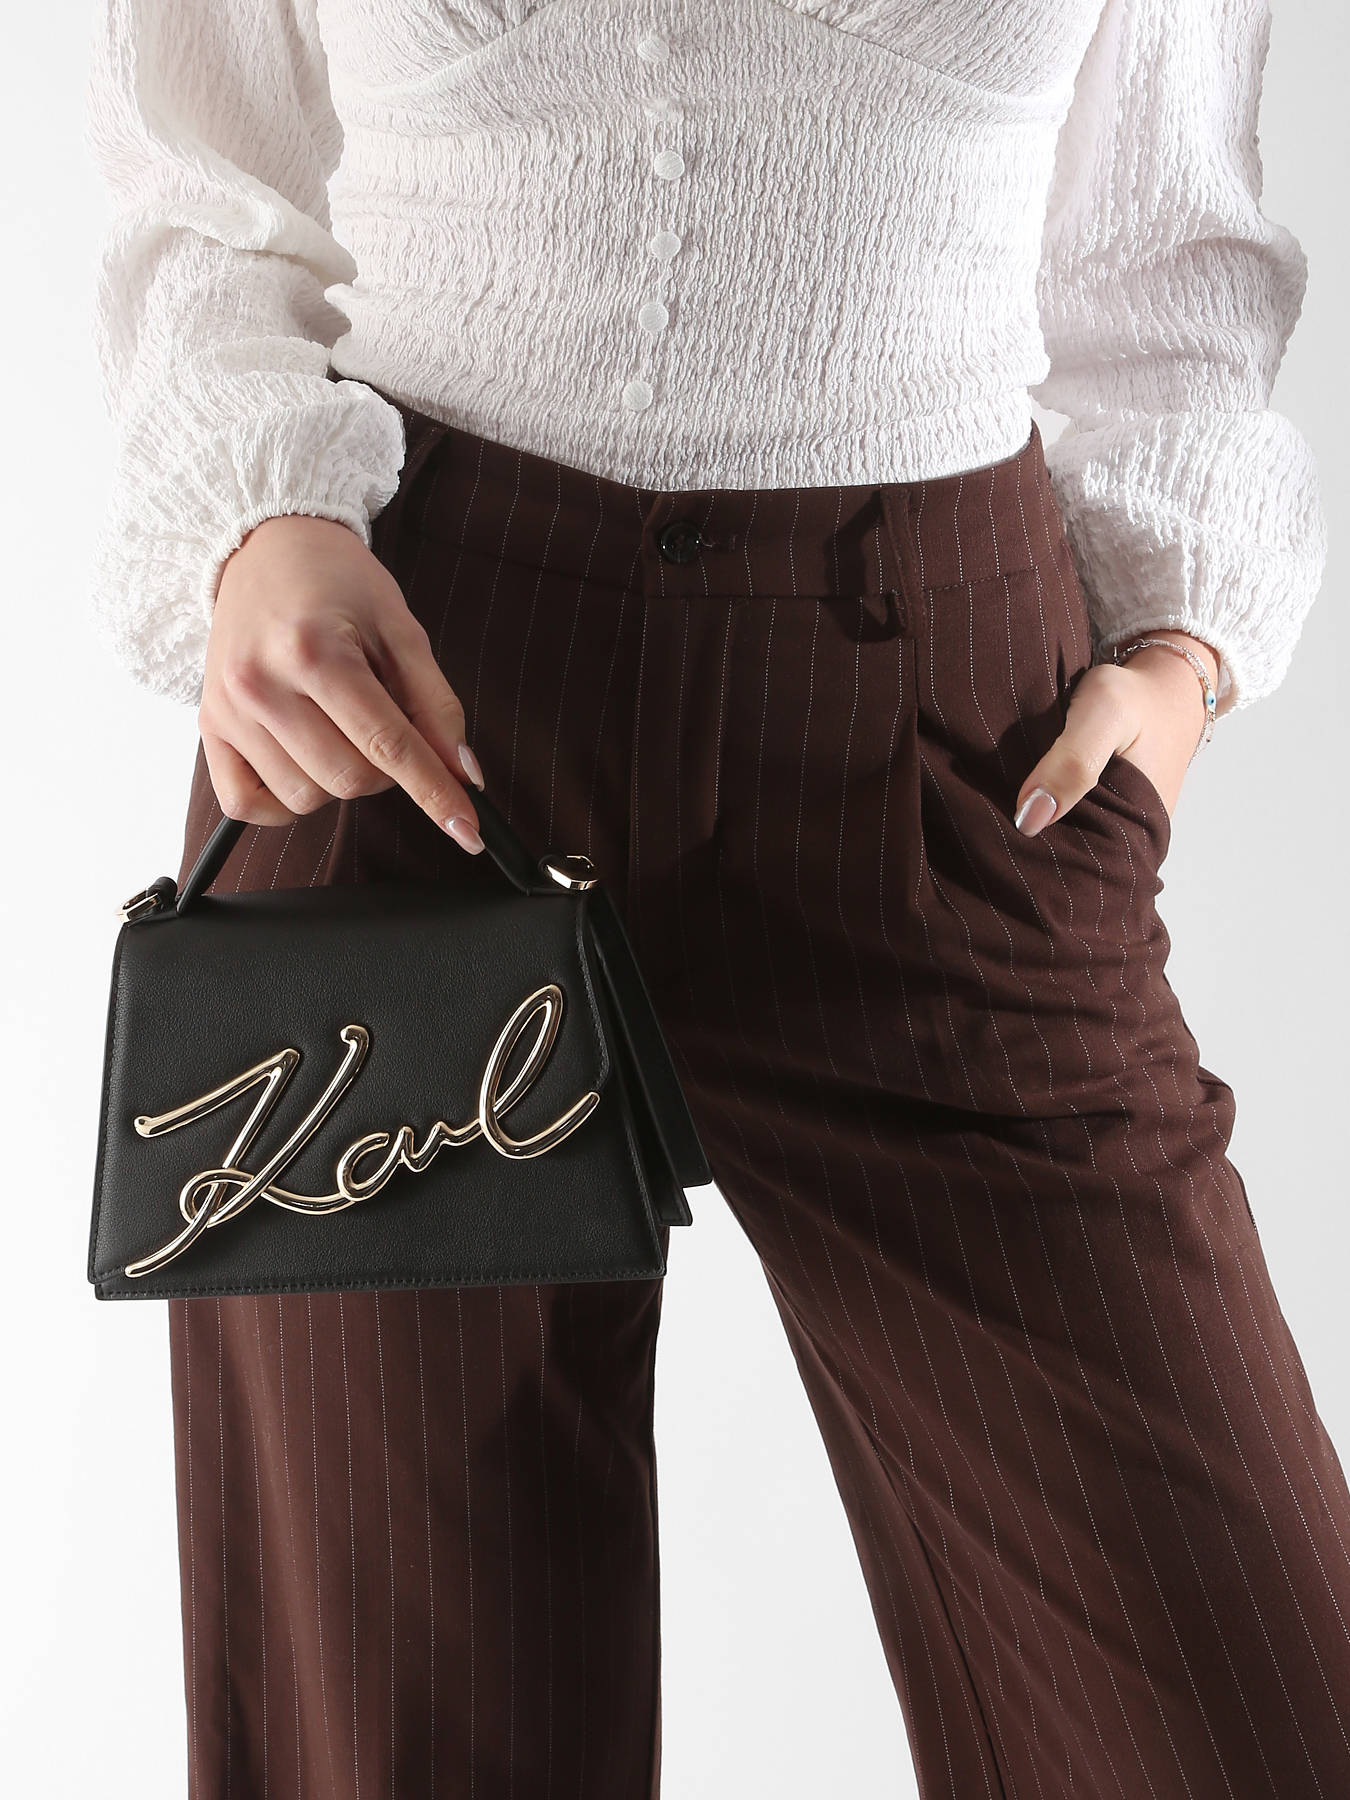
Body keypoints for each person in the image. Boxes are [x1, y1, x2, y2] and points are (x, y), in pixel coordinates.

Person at [85, 1, 1349, 1795]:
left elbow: (1167, 249)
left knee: (1248, 1716)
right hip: (399, 709)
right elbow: (202, 183)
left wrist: (1180, 648)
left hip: (944, 749)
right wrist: (258, 518)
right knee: (395, 1741)